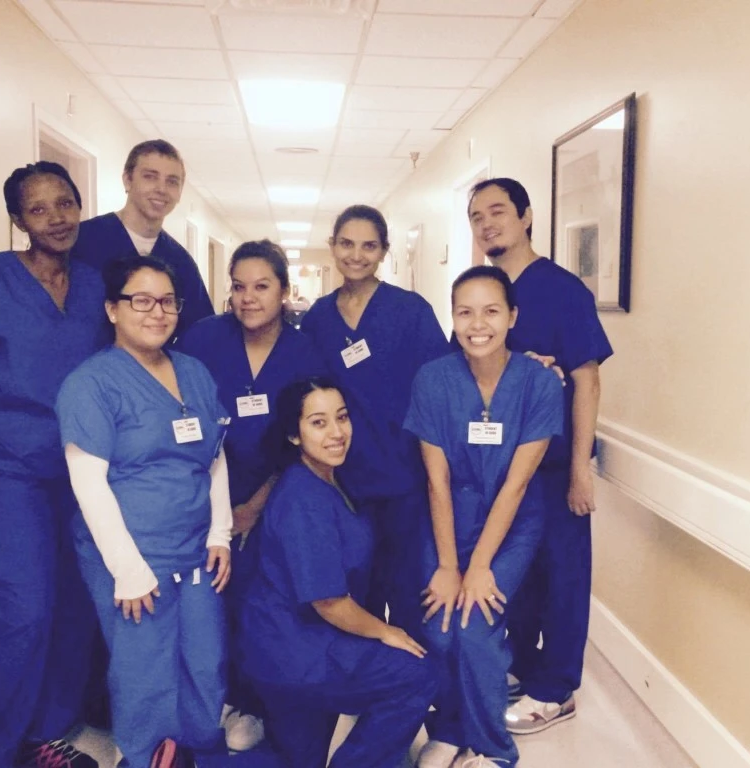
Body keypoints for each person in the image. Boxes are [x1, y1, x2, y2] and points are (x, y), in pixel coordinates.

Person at [0, 161, 107, 768]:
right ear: (17, 220)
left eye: (65, 203)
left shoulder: (93, 286)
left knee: (77, 606)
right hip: (9, 474)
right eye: (38, 209)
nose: (56, 218)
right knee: (24, 613)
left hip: (83, 476)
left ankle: (49, 737)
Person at [56, 258, 232, 768]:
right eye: (141, 300)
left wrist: (220, 532)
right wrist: (129, 571)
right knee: (144, 671)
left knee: (205, 661)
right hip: (134, 555)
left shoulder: (194, 373)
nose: (157, 312)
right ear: (113, 309)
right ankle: (145, 757)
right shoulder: (91, 383)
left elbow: (215, 456)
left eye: (168, 301)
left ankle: (194, 751)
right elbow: (87, 483)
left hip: (197, 548)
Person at [466, 178, 613, 734]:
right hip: (501, 472)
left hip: (551, 470)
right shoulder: (487, 292)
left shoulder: (560, 289)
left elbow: (588, 379)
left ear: (527, 217)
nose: (486, 224)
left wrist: (579, 469)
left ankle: (556, 690)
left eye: (497, 211)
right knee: (518, 579)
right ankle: (524, 670)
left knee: (563, 577)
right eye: (476, 215)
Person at [407, 266, 564, 768]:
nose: (478, 323)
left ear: (512, 316)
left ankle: (493, 749)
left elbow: (516, 485)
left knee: (475, 624)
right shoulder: (433, 379)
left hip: (512, 524)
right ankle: (451, 728)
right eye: (465, 311)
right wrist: (451, 565)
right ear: (452, 318)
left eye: (491, 310)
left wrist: (479, 568)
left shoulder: (539, 383)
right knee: (438, 621)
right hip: (449, 515)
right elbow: (438, 482)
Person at [239, 378, 438, 768]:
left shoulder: (330, 478)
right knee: (417, 672)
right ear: (294, 435)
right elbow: (328, 601)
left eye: (342, 418)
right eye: (318, 423)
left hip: (284, 650)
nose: (336, 433)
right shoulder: (303, 500)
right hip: (297, 653)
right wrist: (386, 631)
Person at [182, 240, 327, 752]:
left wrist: (255, 506)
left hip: (278, 495)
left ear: (285, 292)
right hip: (205, 492)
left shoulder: (304, 351)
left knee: (268, 603)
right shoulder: (202, 340)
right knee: (213, 602)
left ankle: (257, 703)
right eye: (239, 286)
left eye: (262, 286)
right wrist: (221, 508)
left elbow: (304, 441)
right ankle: (221, 697)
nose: (248, 298)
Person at [300, 205, 449, 633]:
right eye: (347, 243)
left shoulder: (410, 311)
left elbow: (442, 383)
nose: (356, 255)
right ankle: (358, 682)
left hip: (404, 475)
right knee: (352, 586)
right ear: (332, 246)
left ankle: (408, 689)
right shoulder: (319, 319)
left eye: (369, 246)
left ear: (384, 251)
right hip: (343, 480)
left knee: (407, 589)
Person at [72, 139, 213, 345]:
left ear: (180, 192)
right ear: (127, 180)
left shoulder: (181, 262)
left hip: (153, 374)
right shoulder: (82, 241)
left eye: (172, 181)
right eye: (150, 177)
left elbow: (199, 331)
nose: (161, 189)